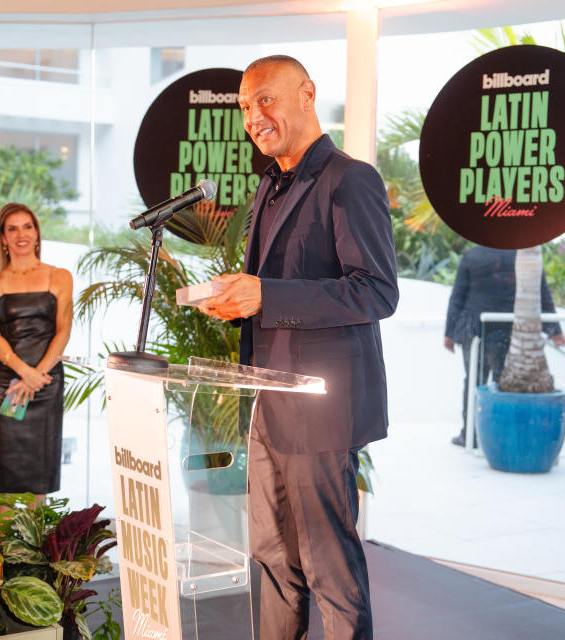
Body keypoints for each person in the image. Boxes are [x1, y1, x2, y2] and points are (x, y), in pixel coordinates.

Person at [198, 55, 398, 639]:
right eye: (243, 107)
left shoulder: (349, 178)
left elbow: (377, 292)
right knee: (270, 558)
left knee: (328, 565)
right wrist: (237, 298)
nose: (252, 117)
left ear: (307, 94)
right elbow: (274, 288)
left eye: (265, 99)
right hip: (265, 403)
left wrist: (268, 296)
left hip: (319, 411)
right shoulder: (268, 183)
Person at [0, 203, 73, 515]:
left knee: (38, 472)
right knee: (4, 475)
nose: (22, 234)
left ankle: (32, 554)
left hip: (46, 382)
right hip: (6, 382)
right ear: (3, 238)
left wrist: (37, 375)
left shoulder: (60, 276)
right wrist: (23, 373)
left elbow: (63, 332)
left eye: (27, 227)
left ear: (37, 233)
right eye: (13, 228)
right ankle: (4, 555)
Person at [444, 245, 565, 446]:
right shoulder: (524, 253)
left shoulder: (471, 254)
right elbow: (540, 291)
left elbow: (457, 296)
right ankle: (495, 435)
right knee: (503, 386)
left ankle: (470, 435)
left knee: (474, 382)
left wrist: (449, 333)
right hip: (508, 330)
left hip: (474, 330)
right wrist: (555, 331)